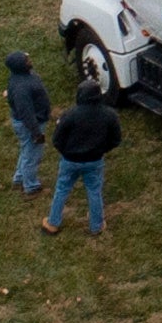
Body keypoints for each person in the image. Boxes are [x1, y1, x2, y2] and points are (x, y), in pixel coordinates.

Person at [46, 79, 119, 234]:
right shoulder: (109, 115)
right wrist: (102, 150)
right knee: (94, 191)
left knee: (62, 189)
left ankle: (52, 223)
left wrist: (66, 152)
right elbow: (116, 139)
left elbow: (57, 139)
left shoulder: (70, 114)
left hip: (70, 161)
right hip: (94, 161)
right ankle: (96, 225)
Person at [5, 49, 51, 194]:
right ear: (20, 65)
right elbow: (26, 113)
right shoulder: (21, 88)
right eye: (26, 60)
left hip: (32, 121)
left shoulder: (24, 77)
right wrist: (36, 132)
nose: (29, 61)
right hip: (30, 124)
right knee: (32, 155)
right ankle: (30, 186)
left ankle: (19, 179)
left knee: (27, 150)